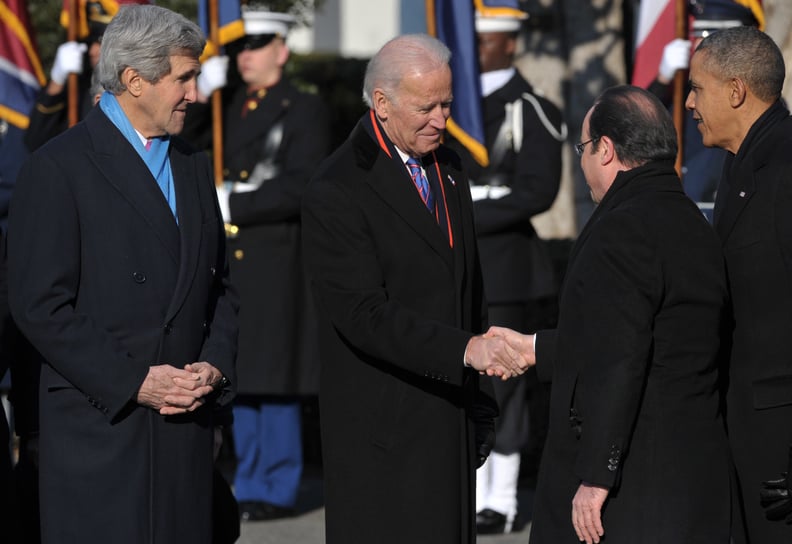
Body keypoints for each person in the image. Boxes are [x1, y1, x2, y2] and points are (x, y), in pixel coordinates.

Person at [6, 5, 238, 543]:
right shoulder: (58, 166)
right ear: (135, 80)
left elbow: (220, 287)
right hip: (103, 432)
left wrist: (215, 366)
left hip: (184, 429)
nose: (195, 94)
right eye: (184, 78)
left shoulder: (192, 162)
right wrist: (136, 381)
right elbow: (40, 305)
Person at [301, 34, 532, 544]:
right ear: (381, 104)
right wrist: (466, 351)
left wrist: (481, 400)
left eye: (447, 103)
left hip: (449, 417)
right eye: (425, 106)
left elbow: (469, 289)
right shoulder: (338, 187)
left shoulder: (448, 168)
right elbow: (363, 313)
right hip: (383, 428)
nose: (441, 118)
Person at [492, 85, 733, 543]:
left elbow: (619, 357)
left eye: (583, 149)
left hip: (634, 486)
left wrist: (596, 476)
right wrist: (534, 348)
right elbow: (654, 336)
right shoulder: (691, 220)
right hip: (691, 474)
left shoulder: (622, 226)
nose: (582, 163)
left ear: (605, 150)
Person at [183, 4, 330, 521]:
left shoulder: (302, 107)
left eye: (256, 46)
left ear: (282, 51)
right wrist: (204, 96)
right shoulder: (227, 105)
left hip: (275, 258)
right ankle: (248, 479)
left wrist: (235, 202)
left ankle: (278, 483)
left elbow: (303, 183)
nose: (245, 57)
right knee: (239, 372)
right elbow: (183, 143)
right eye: (240, 48)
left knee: (278, 375)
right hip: (233, 259)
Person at [445, 3, 565, 534]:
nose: (474, 50)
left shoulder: (531, 108)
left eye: (485, 40)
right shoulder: (447, 106)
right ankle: (473, 490)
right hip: (458, 264)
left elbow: (536, 191)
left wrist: (465, 209)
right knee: (465, 377)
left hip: (508, 267)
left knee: (507, 380)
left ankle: (505, 496)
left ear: (510, 42)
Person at [686, 24, 792, 543]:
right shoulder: (737, 166)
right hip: (747, 439)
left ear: (735, 90)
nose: (687, 101)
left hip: (781, 451)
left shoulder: (786, 167)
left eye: (697, 87)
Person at [647, 0, 762, 220]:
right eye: (698, 37)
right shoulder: (685, 96)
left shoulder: (757, 102)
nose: (697, 45)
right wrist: (662, 80)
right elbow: (638, 124)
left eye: (708, 38)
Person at [24, 0, 148, 152]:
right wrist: (57, 82)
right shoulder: (80, 85)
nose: (93, 50)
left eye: (103, 41)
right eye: (92, 42)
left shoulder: (149, 90)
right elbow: (36, 140)